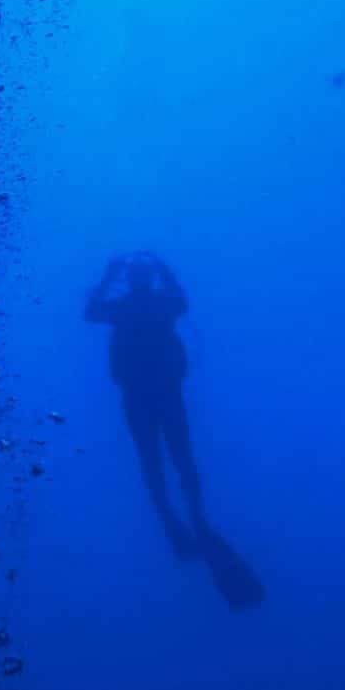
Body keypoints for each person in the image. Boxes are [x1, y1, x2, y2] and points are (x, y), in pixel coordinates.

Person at [83, 251, 264, 609]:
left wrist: (110, 275)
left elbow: (92, 311)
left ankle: (177, 514)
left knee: (158, 458)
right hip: (160, 393)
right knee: (175, 457)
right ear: (147, 279)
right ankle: (188, 514)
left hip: (145, 394)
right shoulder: (160, 304)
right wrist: (163, 269)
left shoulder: (127, 308)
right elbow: (179, 300)